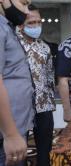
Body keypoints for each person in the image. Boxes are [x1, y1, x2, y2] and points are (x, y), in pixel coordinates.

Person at [16, 5, 55, 166]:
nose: (36, 26)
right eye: (32, 22)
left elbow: (49, 76)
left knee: (45, 150)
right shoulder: (12, 44)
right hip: (19, 107)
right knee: (18, 152)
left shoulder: (44, 47)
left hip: (43, 105)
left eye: (39, 22)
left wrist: (51, 103)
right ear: (20, 24)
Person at [0, 0, 34, 165]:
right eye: (24, 3)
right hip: (6, 133)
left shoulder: (7, 27)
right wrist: (11, 134)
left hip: (15, 127)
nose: (27, 11)